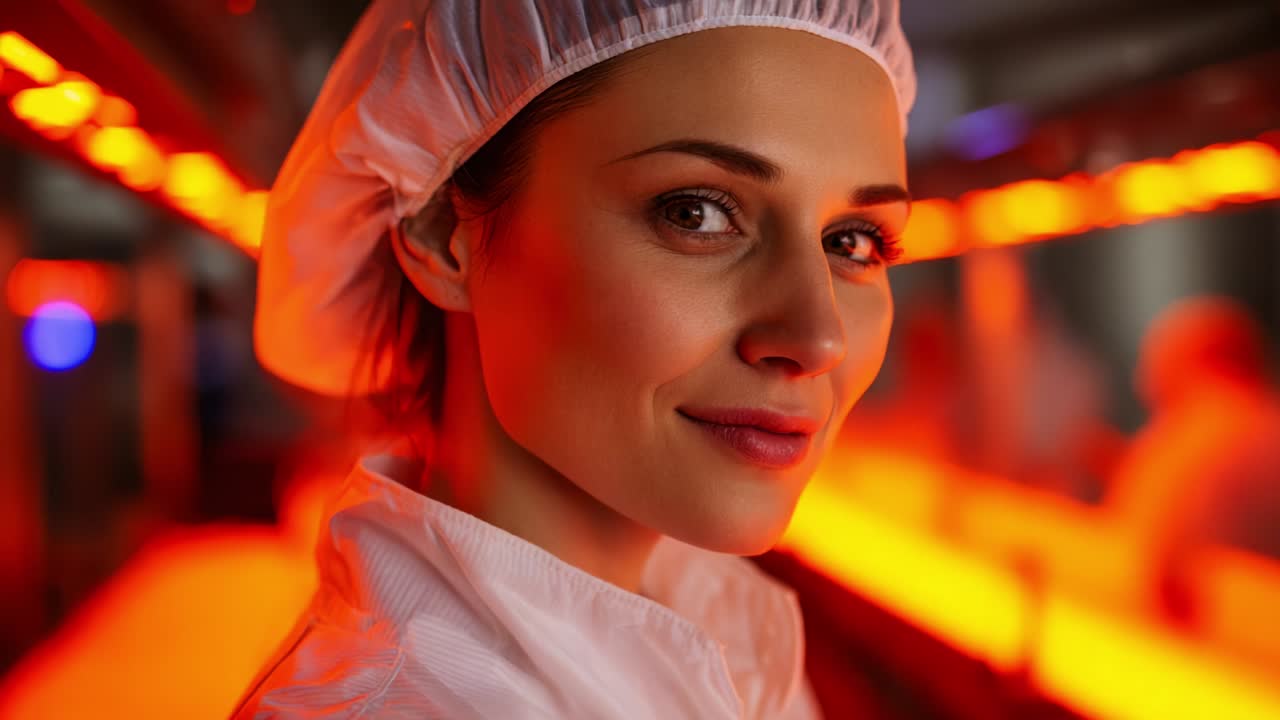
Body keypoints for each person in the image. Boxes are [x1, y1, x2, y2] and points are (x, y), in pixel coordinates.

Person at [235, 1, 916, 717]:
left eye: (855, 242)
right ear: (443, 235)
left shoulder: (726, 634)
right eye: (696, 212)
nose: (819, 338)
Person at [1107, 296, 1280, 625]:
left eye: (1154, 364)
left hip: (1217, 647)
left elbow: (1150, 556)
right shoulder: (1259, 422)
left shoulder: (1195, 438)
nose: (1142, 381)